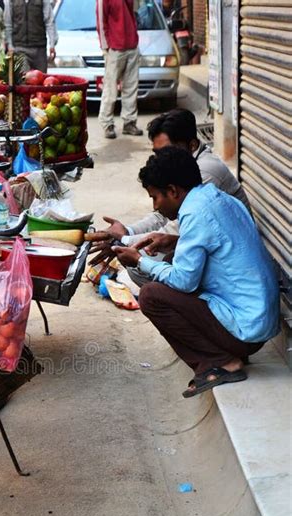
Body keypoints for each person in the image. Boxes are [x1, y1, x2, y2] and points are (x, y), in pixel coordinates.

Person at [111, 147, 279, 397]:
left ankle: (220, 362)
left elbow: (184, 281)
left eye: (155, 197)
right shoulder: (217, 198)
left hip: (247, 329)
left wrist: (139, 261)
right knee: (169, 258)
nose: (156, 206)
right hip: (258, 320)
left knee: (150, 296)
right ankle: (224, 354)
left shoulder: (195, 212)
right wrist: (175, 241)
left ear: (173, 191)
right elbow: (219, 246)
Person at [89, 109, 251, 278]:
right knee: (146, 260)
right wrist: (128, 233)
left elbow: (176, 229)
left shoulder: (206, 172)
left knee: (142, 269)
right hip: (216, 251)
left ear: (193, 145)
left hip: (229, 262)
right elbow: (163, 215)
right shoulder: (183, 170)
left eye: (167, 150)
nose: (162, 158)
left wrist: (126, 242)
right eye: (157, 153)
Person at [96, 0, 143, 139]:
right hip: (115, 48)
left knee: (131, 87)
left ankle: (129, 122)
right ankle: (107, 123)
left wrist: (135, 38)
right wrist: (105, 47)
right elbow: (101, 21)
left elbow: (133, 14)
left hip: (132, 45)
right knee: (110, 88)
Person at [4, 0, 58, 73]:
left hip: (39, 50)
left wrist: (52, 44)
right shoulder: (11, 1)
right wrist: (10, 46)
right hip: (19, 49)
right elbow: (8, 24)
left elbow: (49, 22)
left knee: (40, 80)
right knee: (23, 80)